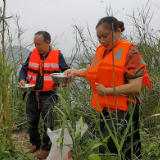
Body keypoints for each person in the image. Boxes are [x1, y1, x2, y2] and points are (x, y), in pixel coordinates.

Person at [64, 16, 151, 159]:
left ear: (118, 31)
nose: (101, 41)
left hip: (124, 110)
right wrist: (73, 71)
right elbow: (92, 69)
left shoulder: (131, 53)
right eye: (99, 37)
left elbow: (136, 86)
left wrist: (107, 91)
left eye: (105, 36)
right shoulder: (102, 50)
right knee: (110, 146)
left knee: (123, 148)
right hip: (105, 108)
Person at [19, 31, 70, 159]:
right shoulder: (32, 54)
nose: (36, 47)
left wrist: (66, 81)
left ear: (48, 43)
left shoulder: (57, 55)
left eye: (39, 44)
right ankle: (35, 143)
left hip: (49, 94)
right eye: (35, 44)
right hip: (32, 93)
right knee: (31, 120)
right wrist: (22, 79)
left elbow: (66, 71)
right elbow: (24, 70)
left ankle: (46, 147)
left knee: (49, 122)